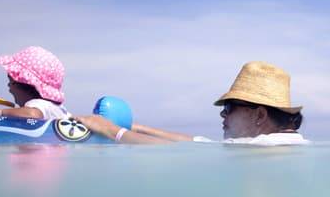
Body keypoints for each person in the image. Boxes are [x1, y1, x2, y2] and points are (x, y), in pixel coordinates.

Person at [75, 61, 309, 146]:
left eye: (229, 108)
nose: (222, 116)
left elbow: (169, 152)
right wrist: (137, 127)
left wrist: (109, 130)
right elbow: (197, 143)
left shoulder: (260, 149)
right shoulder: (284, 144)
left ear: (259, 115)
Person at [0, 46, 70, 120]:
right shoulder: (58, 108)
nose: (8, 86)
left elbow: (33, 114)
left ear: (25, 84)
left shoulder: (38, 103)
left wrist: (1, 112)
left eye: (11, 82)